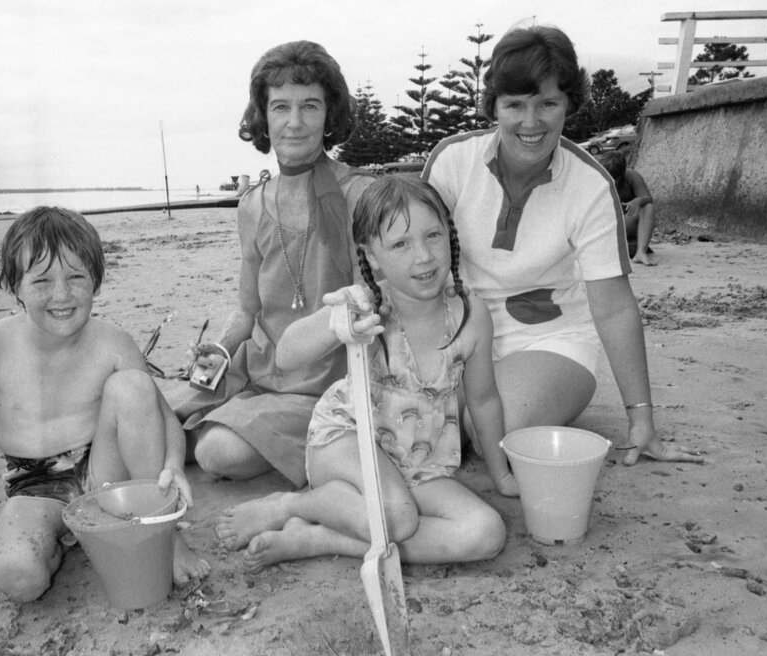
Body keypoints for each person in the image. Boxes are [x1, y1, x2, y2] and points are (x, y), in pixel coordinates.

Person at [422, 24, 702, 466]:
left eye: (548, 103)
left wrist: (642, 420)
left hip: (552, 341)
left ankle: (533, 400)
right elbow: (419, 262)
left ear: (569, 102)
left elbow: (612, 307)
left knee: (492, 432)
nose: (531, 123)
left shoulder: (590, 184)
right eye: (514, 104)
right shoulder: (452, 162)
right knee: (421, 427)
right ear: (493, 105)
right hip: (462, 333)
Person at [0, 207, 210, 602]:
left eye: (75, 278)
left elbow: (165, 418)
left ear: (96, 283)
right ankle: (65, 538)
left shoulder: (112, 341)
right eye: (42, 281)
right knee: (19, 578)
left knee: (134, 387)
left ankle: (162, 532)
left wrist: (172, 467)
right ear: (15, 286)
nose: (62, 295)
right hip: (35, 485)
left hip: (104, 473)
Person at [216, 175, 514, 568]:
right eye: (400, 244)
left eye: (433, 236)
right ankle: (293, 504)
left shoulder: (471, 316)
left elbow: (483, 400)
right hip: (345, 442)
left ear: (450, 235)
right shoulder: (366, 307)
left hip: (420, 463)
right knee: (398, 516)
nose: (423, 256)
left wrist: (502, 474)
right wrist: (335, 320)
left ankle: (319, 537)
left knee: (485, 532)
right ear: (372, 256)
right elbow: (287, 354)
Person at [167, 40, 373, 488]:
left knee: (214, 451)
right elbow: (247, 310)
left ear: (329, 114)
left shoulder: (359, 196)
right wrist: (218, 351)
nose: (294, 123)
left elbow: (366, 306)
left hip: (323, 377)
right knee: (158, 421)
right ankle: (230, 415)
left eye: (310, 106)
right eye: (280, 107)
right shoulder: (252, 204)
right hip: (255, 365)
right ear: (263, 116)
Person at [598, 150, 657, 266]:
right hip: (604, 228)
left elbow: (648, 199)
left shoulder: (632, 176)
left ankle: (640, 252)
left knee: (648, 207)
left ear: (622, 174)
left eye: (614, 178)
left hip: (625, 224)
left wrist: (638, 201)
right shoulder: (594, 179)